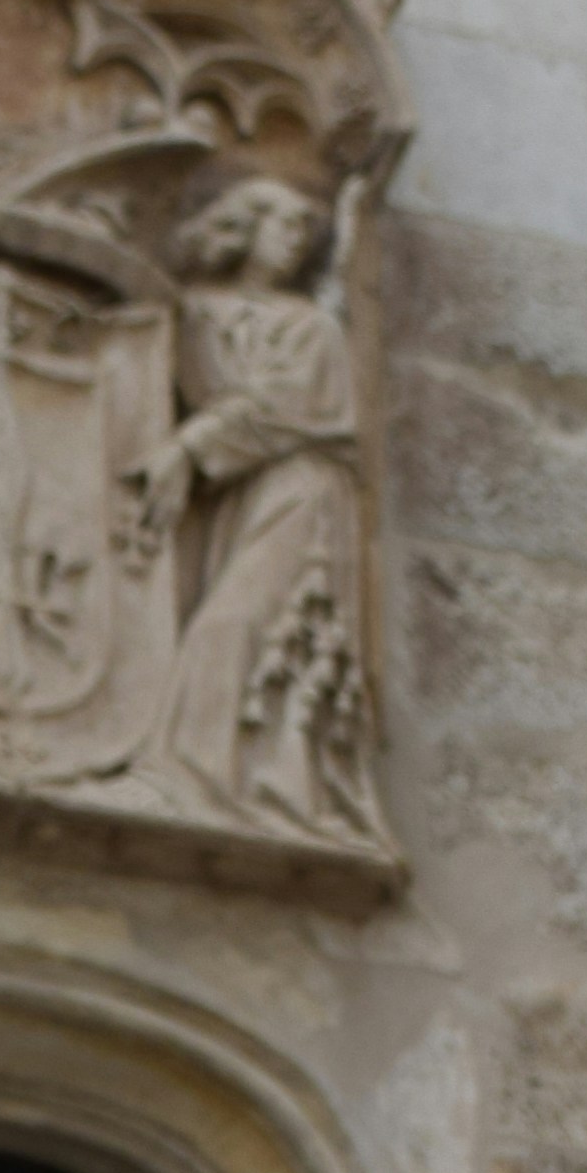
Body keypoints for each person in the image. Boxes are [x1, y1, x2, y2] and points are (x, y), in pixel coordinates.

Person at [141, 173, 385, 845]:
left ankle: (234, 779)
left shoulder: (314, 328)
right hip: (232, 496)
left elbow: (284, 406)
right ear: (242, 228)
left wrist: (191, 448)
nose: (293, 243)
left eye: (303, 232)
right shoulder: (198, 311)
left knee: (241, 622)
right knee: (218, 618)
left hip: (303, 489)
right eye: (282, 225)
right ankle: (208, 775)